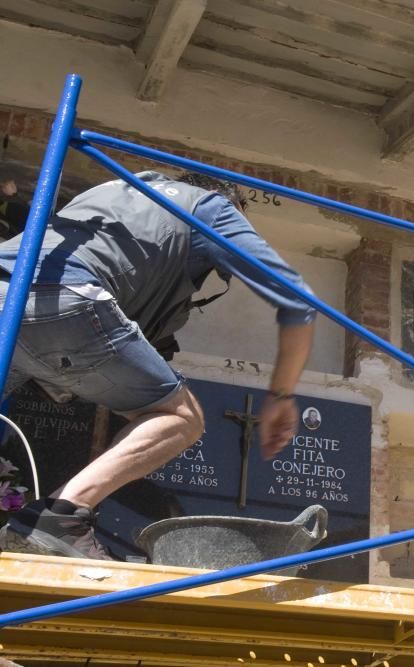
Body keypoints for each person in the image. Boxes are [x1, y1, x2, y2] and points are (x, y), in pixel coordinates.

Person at [0, 171, 316, 560]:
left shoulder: (115, 190)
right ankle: (62, 515)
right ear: (233, 203)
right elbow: (297, 301)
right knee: (182, 418)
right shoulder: (211, 208)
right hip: (66, 301)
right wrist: (282, 396)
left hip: (7, 293)